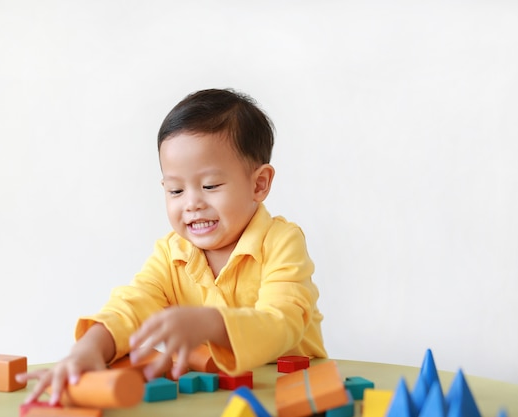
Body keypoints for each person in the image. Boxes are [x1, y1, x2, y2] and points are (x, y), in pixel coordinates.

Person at [17, 88, 327, 405]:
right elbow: (132, 306)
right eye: (176, 190)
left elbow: (283, 322)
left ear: (259, 184)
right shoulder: (170, 254)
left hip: (292, 395)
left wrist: (209, 323)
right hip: (215, 399)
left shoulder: (281, 241)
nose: (191, 203)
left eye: (210, 186)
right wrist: (89, 349)